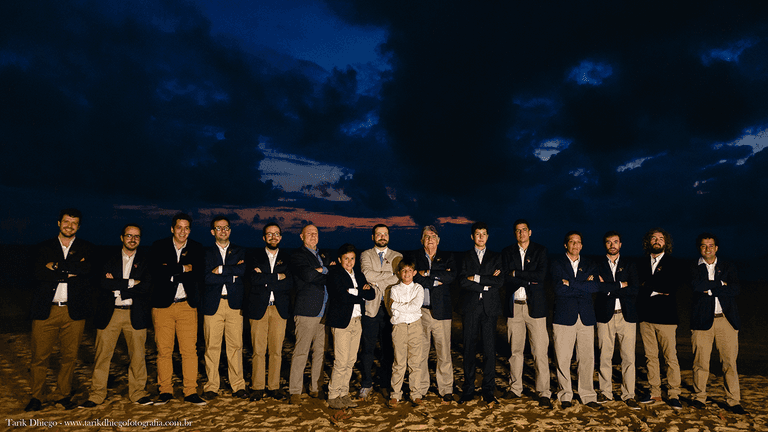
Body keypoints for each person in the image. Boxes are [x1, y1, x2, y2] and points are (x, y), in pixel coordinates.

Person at [26, 208, 93, 412]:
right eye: (66, 222)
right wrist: (70, 270)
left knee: (69, 357)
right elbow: (36, 274)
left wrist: (55, 267)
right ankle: (37, 396)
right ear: (58, 223)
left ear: (78, 226)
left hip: (73, 312)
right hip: (46, 310)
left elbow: (87, 273)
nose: (69, 226)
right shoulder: (42, 247)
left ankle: (62, 394)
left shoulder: (87, 248)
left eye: (74, 223)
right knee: (39, 357)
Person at [81, 224, 153, 408]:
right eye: (129, 235)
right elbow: (101, 283)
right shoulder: (107, 258)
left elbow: (146, 287)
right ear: (122, 237)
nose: (132, 239)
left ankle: (138, 393)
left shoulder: (146, 260)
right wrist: (131, 283)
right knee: (102, 356)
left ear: (140, 239)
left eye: (136, 236)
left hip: (135, 314)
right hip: (110, 313)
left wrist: (118, 286)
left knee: (138, 357)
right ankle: (96, 395)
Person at [149, 213, 206, 405]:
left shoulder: (197, 248)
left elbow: (199, 273)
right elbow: (157, 273)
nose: (183, 231)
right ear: (172, 229)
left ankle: (190, 391)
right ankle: (165, 390)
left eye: (187, 228)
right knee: (164, 350)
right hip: (163, 306)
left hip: (187, 306)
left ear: (190, 230)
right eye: (179, 227)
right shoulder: (158, 246)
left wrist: (172, 270)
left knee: (189, 351)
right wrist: (183, 269)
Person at [690, 233, 747, 414]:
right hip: (701, 322)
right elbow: (696, 287)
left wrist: (711, 287)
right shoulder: (692, 266)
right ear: (699, 248)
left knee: (729, 363)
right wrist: (721, 285)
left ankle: (733, 401)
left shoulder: (728, 265)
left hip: (726, 320)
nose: (708, 249)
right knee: (701, 363)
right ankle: (699, 398)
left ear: (717, 248)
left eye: (711, 245)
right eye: (704, 246)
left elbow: (736, 289)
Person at [500, 219, 552, 408]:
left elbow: (540, 276)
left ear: (530, 232)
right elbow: (506, 277)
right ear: (515, 234)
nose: (521, 233)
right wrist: (525, 277)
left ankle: (544, 391)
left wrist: (517, 274)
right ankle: (515, 388)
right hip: (515, 306)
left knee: (540, 351)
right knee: (515, 351)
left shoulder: (541, 251)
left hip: (535, 307)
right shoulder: (507, 252)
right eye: (517, 231)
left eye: (524, 230)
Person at [550, 231, 600, 409]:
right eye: (572, 242)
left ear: (582, 245)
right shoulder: (556, 263)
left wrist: (570, 283)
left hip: (586, 316)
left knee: (586, 358)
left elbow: (594, 286)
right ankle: (565, 395)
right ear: (566, 244)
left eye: (579, 242)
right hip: (563, 316)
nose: (575, 245)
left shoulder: (590, 263)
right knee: (563, 358)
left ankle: (587, 395)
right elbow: (558, 289)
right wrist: (583, 286)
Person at [636, 228, 684, 409]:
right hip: (645, 317)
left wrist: (648, 286)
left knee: (670, 357)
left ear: (666, 242)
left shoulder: (674, 263)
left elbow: (671, 286)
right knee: (651, 357)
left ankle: (673, 394)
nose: (657, 241)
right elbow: (637, 286)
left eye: (661, 238)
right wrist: (656, 289)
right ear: (648, 241)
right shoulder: (640, 263)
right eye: (653, 238)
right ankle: (655, 392)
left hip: (667, 318)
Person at [201, 216, 247, 400]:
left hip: (235, 304)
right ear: (213, 232)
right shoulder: (205, 253)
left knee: (235, 346)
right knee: (212, 346)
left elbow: (242, 272)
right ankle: (212, 386)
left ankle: (238, 385)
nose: (223, 231)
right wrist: (231, 273)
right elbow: (205, 278)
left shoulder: (240, 251)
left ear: (230, 230)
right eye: (219, 228)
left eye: (226, 228)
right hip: (213, 304)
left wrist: (219, 270)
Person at [458, 222, 503, 406]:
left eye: (484, 234)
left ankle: (488, 391)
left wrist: (476, 278)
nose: (481, 237)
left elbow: (499, 281)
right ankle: (468, 390)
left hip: (489, 308)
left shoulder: (496, 256)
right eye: (478, 234)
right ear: (472, 237)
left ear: (488, 236)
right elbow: (462, 281)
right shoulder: (464, 257)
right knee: (468, 349)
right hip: (470, 308)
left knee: (489, 351)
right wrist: (487, 283)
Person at [410, 225, 456, 403]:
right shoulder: (414, 257)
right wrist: (437, 278)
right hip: (420, 311)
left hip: (442, 311)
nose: (430, 240)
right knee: (420, 352)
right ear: (422, 240)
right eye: (426, 236)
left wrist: (428, 274)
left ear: (438, 240)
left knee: (443, 352)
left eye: (433, 236)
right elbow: (414, 277)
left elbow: (451, 277)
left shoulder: (448, 257)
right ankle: (421, 388)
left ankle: (446, 389)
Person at [326, 244, 375, 410]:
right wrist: (360, 293)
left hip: (357, 321)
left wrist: (354, 292)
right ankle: (333, 395)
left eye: (352, 258)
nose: (349, 261)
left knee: (351, 360)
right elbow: (340, 296)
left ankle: (343, 394)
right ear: (340, 260)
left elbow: (371, 294)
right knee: (340, 361)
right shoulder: (335, 274)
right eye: (346, 258)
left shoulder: (359, 275)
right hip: (341, 322)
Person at [288, 224, 333, 404]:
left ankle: (316, 387)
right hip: (307, 310)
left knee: (320, 352)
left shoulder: (324, 255)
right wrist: (324, 270)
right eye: (309, 234)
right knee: (301, 351)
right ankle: (295, 391)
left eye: (315, 233)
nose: (313, 236)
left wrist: (321, 271)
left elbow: (329, 276)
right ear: (301, 236)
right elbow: (306, 275)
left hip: (325, 310)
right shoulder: (297, 255)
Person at [594, 231, 640, 408]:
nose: (612, 245)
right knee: (605, 356)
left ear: (621, 244)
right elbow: (597, 287)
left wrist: (609, 288)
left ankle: (629, 394)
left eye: (615, 242)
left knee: (628, 358)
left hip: (627, 316)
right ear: (605, 245)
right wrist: (621, 284)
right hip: (605, 316)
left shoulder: (630, 264)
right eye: (608, 242)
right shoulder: (597, 264)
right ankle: (606, 393)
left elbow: (635, 289)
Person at [247, 222, 291, 402]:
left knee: (276, 350)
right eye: (269, 234)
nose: (273, 237)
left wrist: (264, 277)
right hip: (259, 307)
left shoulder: (288, 257)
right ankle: (257, 386)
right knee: (258, 350)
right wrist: (276, 277)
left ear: (280, 237)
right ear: (264, 237)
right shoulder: (254, 256)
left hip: (279, 308)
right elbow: (252, 278)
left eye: (277, 234)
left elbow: (289, 282)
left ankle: (274, 386)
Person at [359, 224, 401, 400]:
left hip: (390, 309)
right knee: (367, 349)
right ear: (373, 237)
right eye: (378, 234)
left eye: (385, 234)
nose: (382, 237)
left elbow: (399, 276)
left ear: (389, 237)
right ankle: (366, 384)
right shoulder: (365, 254)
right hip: (370, 308)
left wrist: (378, 281)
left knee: (387, 349)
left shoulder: (397, 256)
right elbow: (366, 274)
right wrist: (387, 276)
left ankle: (384, 383)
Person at [386, 256, 428, 407]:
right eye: (404, 271)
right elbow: (393, 310)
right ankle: (395, 395)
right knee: (399, 362)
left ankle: (415, 393)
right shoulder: (394, 289)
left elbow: (415, 307)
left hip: (415, 326)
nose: (407, 274)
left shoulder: (418, 288)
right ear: (399, 273)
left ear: (414, 272)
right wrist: (399, 306)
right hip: (400, 327)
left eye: (410, 271)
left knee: (415, 362)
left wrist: (398, 305)